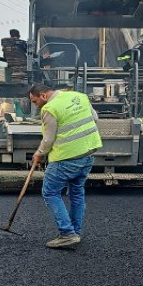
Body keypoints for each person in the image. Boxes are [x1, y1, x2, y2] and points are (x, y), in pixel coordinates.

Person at [29, 84, 103, 249]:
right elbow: (95, 118)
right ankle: (75, 233)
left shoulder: (50, 108)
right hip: (87, 154)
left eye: (35, 101)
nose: (36, 105)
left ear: (43, 95)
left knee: (50, 192)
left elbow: (48, 139)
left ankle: (67, 233)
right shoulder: (80, 97)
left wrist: (39, 154)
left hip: (66, 158)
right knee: (77, 194)